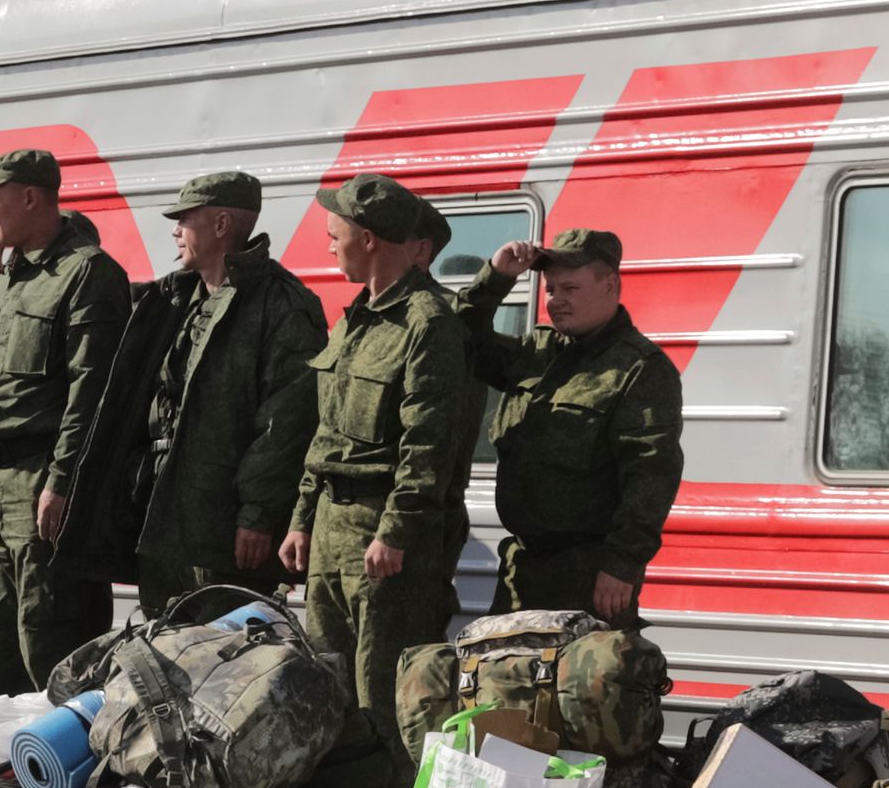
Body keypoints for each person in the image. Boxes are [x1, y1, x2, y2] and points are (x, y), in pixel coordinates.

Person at [88, 169, 329, 616]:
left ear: (220, 225)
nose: (175, 231)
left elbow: (285, 423)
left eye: (185, 219)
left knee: (219, 661)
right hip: (161, 518)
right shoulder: (175, 299)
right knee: (162, 654)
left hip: (221, 529)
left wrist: (257, 514)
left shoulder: (282, 304)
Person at [284, 173, 479, 716]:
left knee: (384, 697)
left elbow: (429, 443)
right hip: (330, 533)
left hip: (382, 542)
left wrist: (396, 531)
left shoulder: (428, 323)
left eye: (335, 233)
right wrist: (302, 517)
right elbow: (326, 430)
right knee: (327, 687)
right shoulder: (356, 320)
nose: (329, 244)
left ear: (367, 238)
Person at [0, 149, 130, 691]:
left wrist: (62, 482)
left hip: (43, 481)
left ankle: (66, 768)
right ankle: (9, 770)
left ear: (30, 197)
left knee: (50, 638)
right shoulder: (9, 280)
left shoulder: (87, 274)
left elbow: (93, 393)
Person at [459, 228, 683, 621]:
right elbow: (460, 340)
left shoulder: (640, 368)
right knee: (502, 679)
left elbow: (651, 476)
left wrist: (621, 565)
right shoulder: (538, 352)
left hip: (590, 572)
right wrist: (495, 279)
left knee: (581, 683)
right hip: (521, 568)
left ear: (609, 285)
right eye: (549, 290)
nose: (556, 301)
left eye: (570, 289)